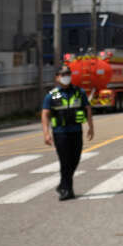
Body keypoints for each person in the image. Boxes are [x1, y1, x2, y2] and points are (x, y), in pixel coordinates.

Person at [40, 66, 93, 201]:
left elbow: (87, 109)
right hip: (60, 133)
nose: (66, 76)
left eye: (68, 74)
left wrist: (91, 127)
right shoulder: (54, 94)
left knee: (75, 160)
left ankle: (63, 185)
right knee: (65, 162)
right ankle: (67, 190)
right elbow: (45, 114)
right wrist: (46, 133)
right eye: (63, 74)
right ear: (57, 77)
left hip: (76, 131)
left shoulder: (78, 92)